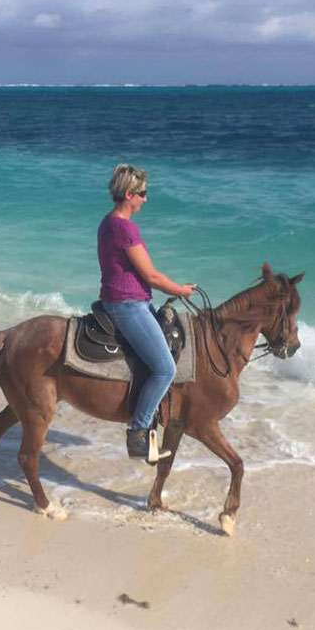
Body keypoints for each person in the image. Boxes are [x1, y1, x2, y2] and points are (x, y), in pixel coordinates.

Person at [98, 164, 195, 462]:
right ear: (128, 195)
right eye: (142, 194)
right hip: (128, 305)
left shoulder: (107, 222)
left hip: (125, 299)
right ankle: (138, 433)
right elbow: (151, 276)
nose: (145, 199)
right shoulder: (125, 228)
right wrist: (180, 290)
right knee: (165, 368)